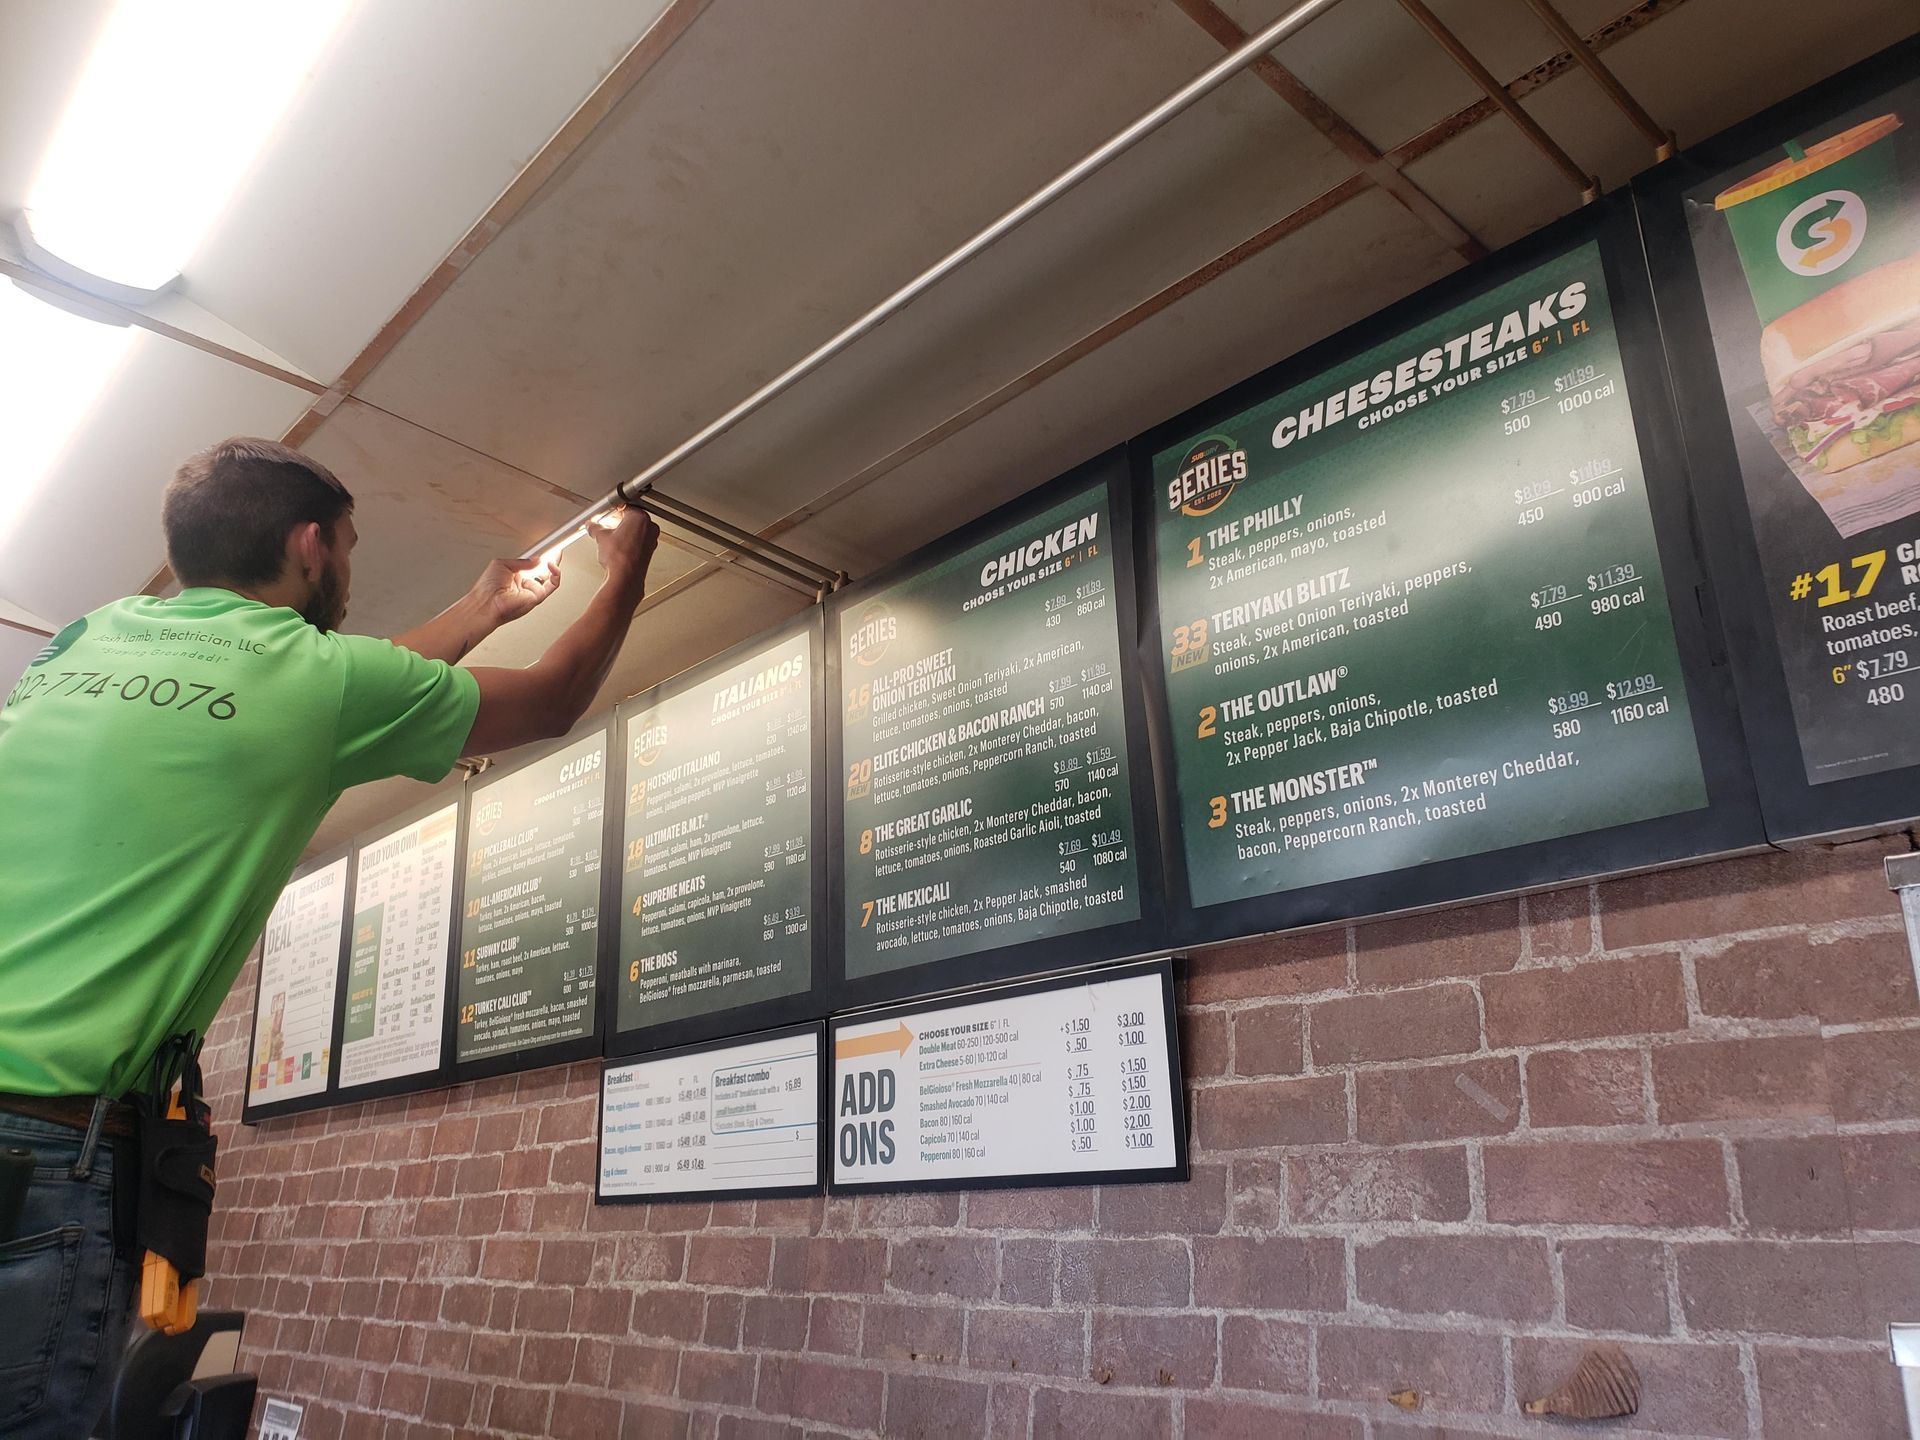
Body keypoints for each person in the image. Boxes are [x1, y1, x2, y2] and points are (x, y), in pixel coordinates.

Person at [0, 437, 658, 1437]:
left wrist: (481, 609)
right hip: (46, 1144)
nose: (349, 574)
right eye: (348, 548)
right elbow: (555, 698)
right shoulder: (310, 678)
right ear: (310, 545)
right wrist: (631, 563)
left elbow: (329, 693)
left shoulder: (92, 635)